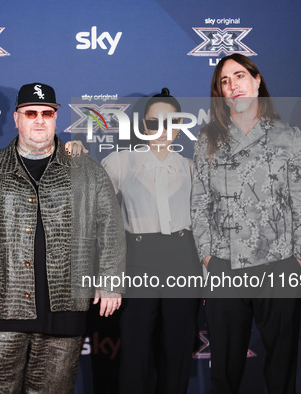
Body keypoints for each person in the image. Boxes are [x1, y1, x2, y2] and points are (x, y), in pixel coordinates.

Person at [0, 82, 126, 393]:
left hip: (64, 304)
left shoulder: (88, 172)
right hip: (0, 302)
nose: (40, 119)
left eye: (47, 113)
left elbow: (110, 230)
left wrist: (110, 281)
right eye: (31, 113)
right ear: (17, 118)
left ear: (56, 119)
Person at [191, 54, 301, 394]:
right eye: (224, 82)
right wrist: (207, 258)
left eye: (239, 76)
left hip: (279, 264)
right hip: (225, 267)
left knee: (281, 367)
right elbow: (199, 203)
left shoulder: (288, 136)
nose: (233, 86)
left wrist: (298, 257)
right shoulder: (208, 139)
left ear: (257, 81)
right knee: (225, 373)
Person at [72, 89, 201, 393]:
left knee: (177, 352)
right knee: (135, 352)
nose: (161, 130)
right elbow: (89, 196)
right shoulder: (120, 162)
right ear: (144, 126)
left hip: (184, 261)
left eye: (170, 122)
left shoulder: (192, 167)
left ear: (179, 125)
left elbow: (207, 225)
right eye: (154, 123)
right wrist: (76, 155)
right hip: (138, 261)